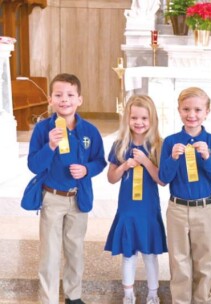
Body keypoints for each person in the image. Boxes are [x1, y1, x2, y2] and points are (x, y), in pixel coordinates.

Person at [24, 73, 106, 304]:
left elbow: (100, 161)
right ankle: (48, 298)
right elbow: (33, 165)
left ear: (79, 99)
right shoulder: (42, 130)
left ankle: (74, 296)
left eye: (70, 95)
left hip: (78, 199)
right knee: (49, 253)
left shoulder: (89, 131)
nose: (64, 100)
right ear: (50, 99)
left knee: (75, 250)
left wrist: (87, 169)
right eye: (58, 95)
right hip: (52, 198)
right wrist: (50, 145)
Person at [158, 87, 211, 304]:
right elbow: (164, 177)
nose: (191, 114)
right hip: (177, 209)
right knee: (179, 262)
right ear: (179, 110)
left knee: (205, 262)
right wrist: (173, 158)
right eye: (186, 109)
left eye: (197, 109)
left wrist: (206, 156)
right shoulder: (170, 141)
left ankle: (203, 300)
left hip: (205, 209)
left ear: (207, 112)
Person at [104, 95, 167, 304]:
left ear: (152, 120)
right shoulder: (120, 145)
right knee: (128, 253)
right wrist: (124, 166)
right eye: (134, 118)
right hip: (128, 208)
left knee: (150, 253)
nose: (139, 122)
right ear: (127, 119)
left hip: (148, 208)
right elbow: (111, 178)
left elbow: (162, 180)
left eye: (144, 118)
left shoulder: (159, 145)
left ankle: (152, 293)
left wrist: (146, 162)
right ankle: (128, 294)